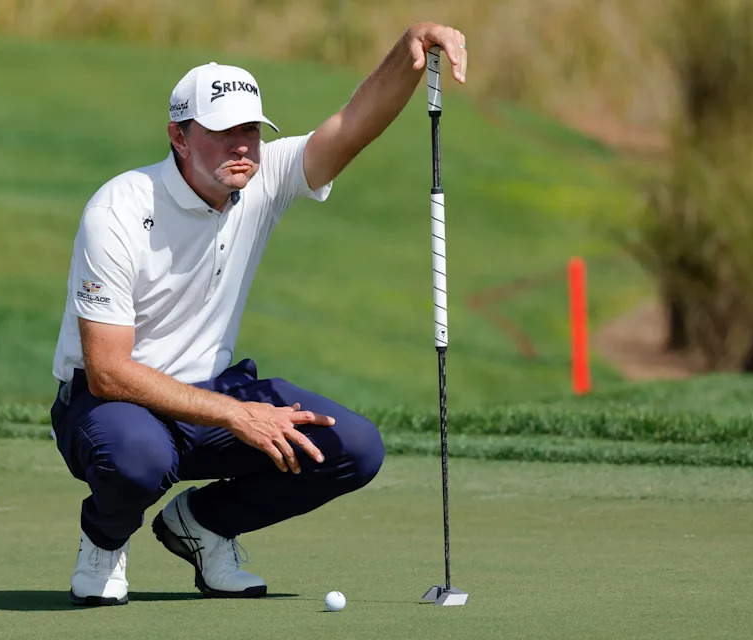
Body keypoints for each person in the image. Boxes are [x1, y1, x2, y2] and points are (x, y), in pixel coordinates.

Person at [49, 22, 468, 606]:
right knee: (138, 458)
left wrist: (408, 54)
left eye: (250, 129)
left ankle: (204, 525)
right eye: (222, 132)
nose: (242, 145)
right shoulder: (119, 209)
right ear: (180, 136)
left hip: (210, 393)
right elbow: (108, 372)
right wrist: (238, 415)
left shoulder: (261, 177)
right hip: (112, 406)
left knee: (351, 448)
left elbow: (350, 126)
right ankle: (104, 543)